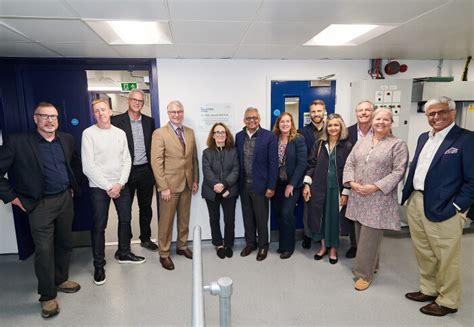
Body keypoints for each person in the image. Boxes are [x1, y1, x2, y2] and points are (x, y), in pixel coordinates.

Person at [0, 102, 81, 318]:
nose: (50, 120)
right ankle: (47, 296)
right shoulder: (17, 142)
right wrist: (13, 198)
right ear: (35, 118)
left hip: (65, 199)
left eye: (53, 116)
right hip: (39, 205)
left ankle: (61, 279)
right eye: (44, 116)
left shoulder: (66, 139)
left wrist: (71, 186)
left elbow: (73, 164)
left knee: (64, 242)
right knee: (44, 250)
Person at [402, 96, 474, 317]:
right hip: (417, 200)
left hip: (446, 207)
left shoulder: (466, 139)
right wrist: (409, 196)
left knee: (446, 256)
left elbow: (472, 180)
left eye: (441, 112)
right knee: (424, 251)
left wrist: (456, 206)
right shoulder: (425, 137)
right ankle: (429, 289)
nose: (436, 117)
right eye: (431, 114)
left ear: (452, 112)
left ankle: (448, 300)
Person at [343, 108, 408, 291]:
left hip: (378, 198)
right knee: (360, 234)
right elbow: (350, 163)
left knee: (368, 239)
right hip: (358, 196)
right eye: (378, 119)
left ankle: (363, 274)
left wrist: (375, 186)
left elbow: (399, 171)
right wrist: (351, 183)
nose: (381, 122)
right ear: (372, 121)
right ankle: (373, 265)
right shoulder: (362, 142)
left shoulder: (397, 144)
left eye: (385, 119)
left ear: (391, 122)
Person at [82, 99, 145, 286]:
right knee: (99, 226)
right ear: (94, 114)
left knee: (125, 219)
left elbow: (127, 159)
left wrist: (120, 183)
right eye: (96, 111)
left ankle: (124, 252)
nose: (100, 113)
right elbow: (88, 166)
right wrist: (108, 186)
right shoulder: (88, 134)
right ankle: (99, 265)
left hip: (120, 185)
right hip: (99, 188)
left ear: (110, 112)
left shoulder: (120, 133)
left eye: (103, 109)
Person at [151, 100, 199, 270]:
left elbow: (193, 159)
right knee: (166, 221)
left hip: (187, 183)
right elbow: (156, 162)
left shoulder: (190, 132)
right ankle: (164, 253)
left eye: (179, 111)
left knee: (184, 218)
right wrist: (163, 187)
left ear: (183, 112)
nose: (177, 115)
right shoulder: (160, 133)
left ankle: (182, 246)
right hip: (169, 187)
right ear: (168, 113)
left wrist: (195, 180)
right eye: (173, 112)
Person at [111, 89, 157, 251]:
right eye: (134, 100)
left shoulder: (149, 122)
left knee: (146, 208)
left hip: (145, 171)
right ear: (128, 101)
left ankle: (145, 238)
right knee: (125, 210)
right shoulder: (116, 121)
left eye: (140, 101)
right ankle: (125, 243)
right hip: (126, 172)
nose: (137, 103)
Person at [303, 114, 352, 264]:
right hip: (319, 188)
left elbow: (350, 170)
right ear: (326, 127)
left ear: (341, 126)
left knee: (335, 219)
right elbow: (311, 165)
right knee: (321, 218)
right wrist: (307, 184)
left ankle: (333, 249)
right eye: (330, 125)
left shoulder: (347, 146)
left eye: (336, 125)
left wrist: (346, 192)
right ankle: (323, 247)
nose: (333, 128)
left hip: (336, 190)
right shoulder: (318, 144)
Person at [235, 107, 278, 261]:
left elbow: (273, 164)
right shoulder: (239, 137)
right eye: (248, 118)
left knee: (261, 218)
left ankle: (263, 246)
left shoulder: (269, 137)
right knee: (247, 217)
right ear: (244, 120)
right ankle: (250, 244)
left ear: (259, 118)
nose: (252, 120)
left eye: (254, 117)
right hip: (243, 185)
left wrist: (271, 186)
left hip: (261, 186)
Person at [202, 123, 239, 259]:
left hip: (229, 190)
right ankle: (218, 245)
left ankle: (228, 244)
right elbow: (207, 172)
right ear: (213, 135)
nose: (220, 135)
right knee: (214, 218)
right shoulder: (206, 152)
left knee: (229, 219)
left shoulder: (233, 151)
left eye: (223, 132)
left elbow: (236, 171)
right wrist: (217, 187)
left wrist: (224, 185)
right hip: (211, 191)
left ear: (227, 134)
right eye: (217, 132)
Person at [272, 112, 307, 259]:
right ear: (278, 124)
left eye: (288, 121)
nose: (285, 124)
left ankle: (288, 247)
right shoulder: (274, 139)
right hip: (277, 184)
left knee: (287, 213)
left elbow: (302, 163)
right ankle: (282, 244)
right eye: (282, 122)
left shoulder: (298, 139)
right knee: (279, 214)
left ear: (292, 123)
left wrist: (292, 185)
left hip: (293, 184)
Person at [344, 100, 375, 259]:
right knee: (352, 215)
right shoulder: (347, 132)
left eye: (367, 110)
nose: (363, 113)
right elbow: (345, 160)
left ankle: (369, 250)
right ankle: (355, 245)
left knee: (371, 219)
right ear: (356, 113)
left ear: (373, 112)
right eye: (360, 110)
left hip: (373, 184)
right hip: (353, 182)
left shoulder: (381, 132)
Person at [297, 100, 326, 249]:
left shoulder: (332, 129)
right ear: (310, 114)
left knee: (325, 208)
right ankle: (308, 235)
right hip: (308, 175)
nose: (316, 114)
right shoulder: (302, 132)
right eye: (313, 112)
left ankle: (323, 236)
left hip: (326, 177)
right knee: (307, 208)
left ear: (324, 112)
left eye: (319, 111)